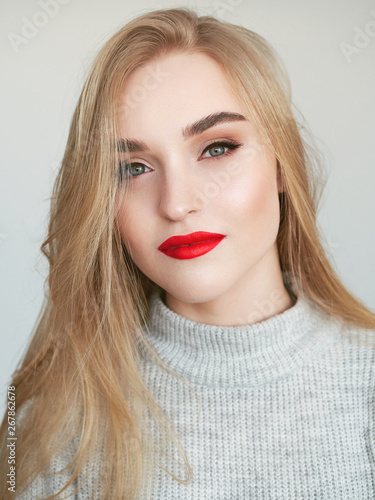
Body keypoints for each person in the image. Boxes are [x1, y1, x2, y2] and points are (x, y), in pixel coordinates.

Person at [1, 6, 375, 500]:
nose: (176, 204)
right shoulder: (46, 428)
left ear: (283, 165)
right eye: (133, 168)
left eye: (217, 148)